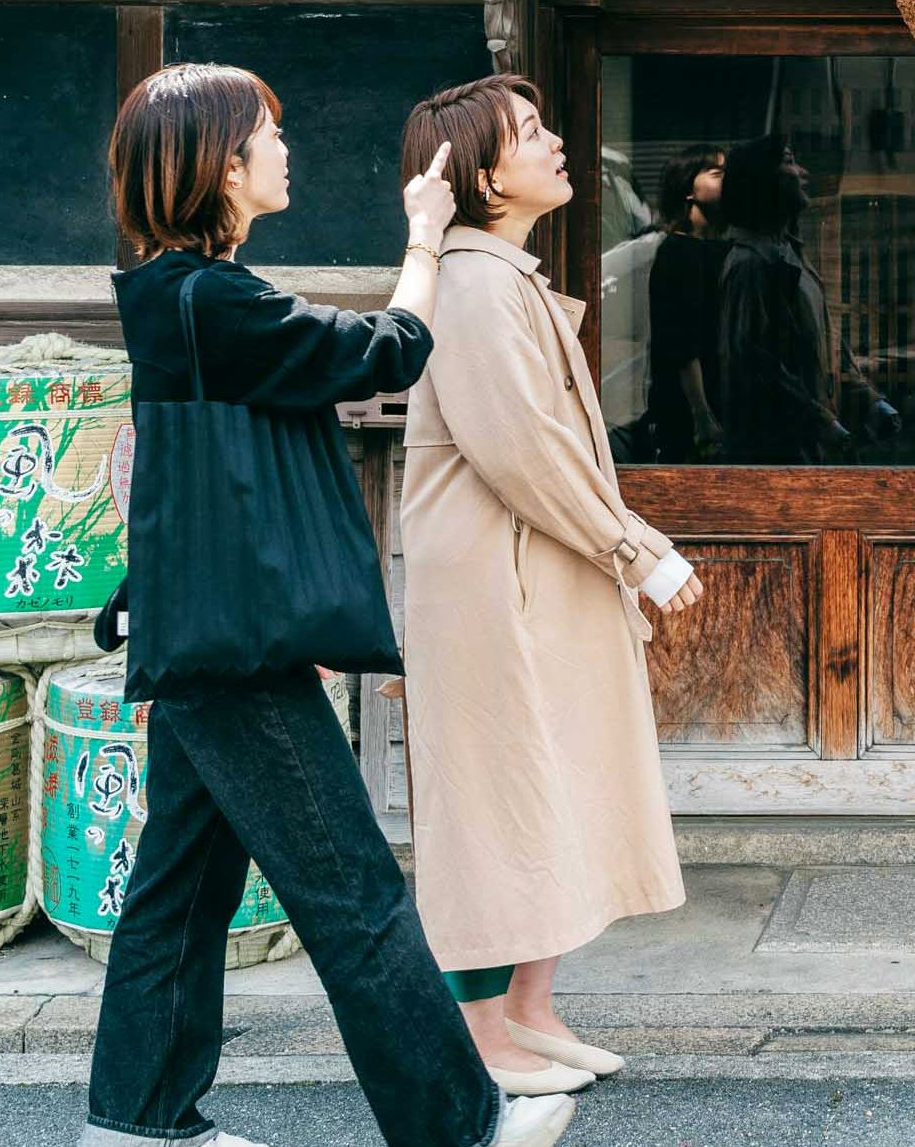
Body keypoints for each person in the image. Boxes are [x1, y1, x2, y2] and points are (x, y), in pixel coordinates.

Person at [91, 63, 570, 1147]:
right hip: (237, 652)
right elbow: (385, 351)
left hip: (207, 631)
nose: (283, 148)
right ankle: (461, 1128)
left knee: (179, 892)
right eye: (268, 132)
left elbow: (191, 479)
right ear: (218, 163)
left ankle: (139, 1123)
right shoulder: (215, 300)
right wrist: (422, 237)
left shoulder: (181, 296)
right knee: (354, 894)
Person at [398, 75, 702, 1094]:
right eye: (532, 132)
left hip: (532, 572)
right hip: (499, 583)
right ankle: (481, 1034)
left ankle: (528, 1011)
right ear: (485, 173)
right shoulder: (475, 285)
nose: (558, 140)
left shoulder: (499, 275)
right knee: (497, 796)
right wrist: (637, 550)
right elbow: (521, 451)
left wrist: (627, 541)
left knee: (555, 783)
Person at [709, 135, 843, 464]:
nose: (802, 172)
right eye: (788, 161)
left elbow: (822, 337)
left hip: (803, 447)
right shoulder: (751, 264)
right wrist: (820, 422)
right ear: (762, 180)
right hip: (775, 455)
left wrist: (867, 400)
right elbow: (754, 364)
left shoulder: (788, 253)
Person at [638, 146, 729, 462]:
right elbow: (682, 343)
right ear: (688, 188)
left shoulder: (715, 248)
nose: (727, 181)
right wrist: (702, 414)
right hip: (688, 409)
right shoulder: (677, 253)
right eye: (717, 174)